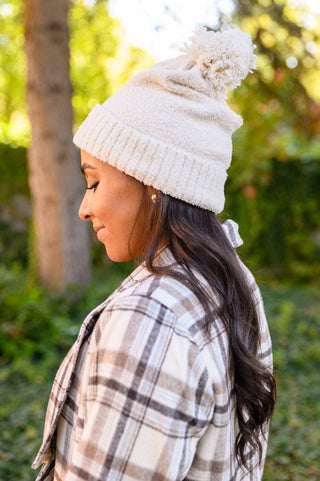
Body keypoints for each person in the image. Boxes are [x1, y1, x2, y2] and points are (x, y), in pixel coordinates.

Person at [32, 25, 276, 481]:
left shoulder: (150, 319)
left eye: (94, 180)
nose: (85, 208)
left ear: (152, 184)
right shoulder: (232, 281)